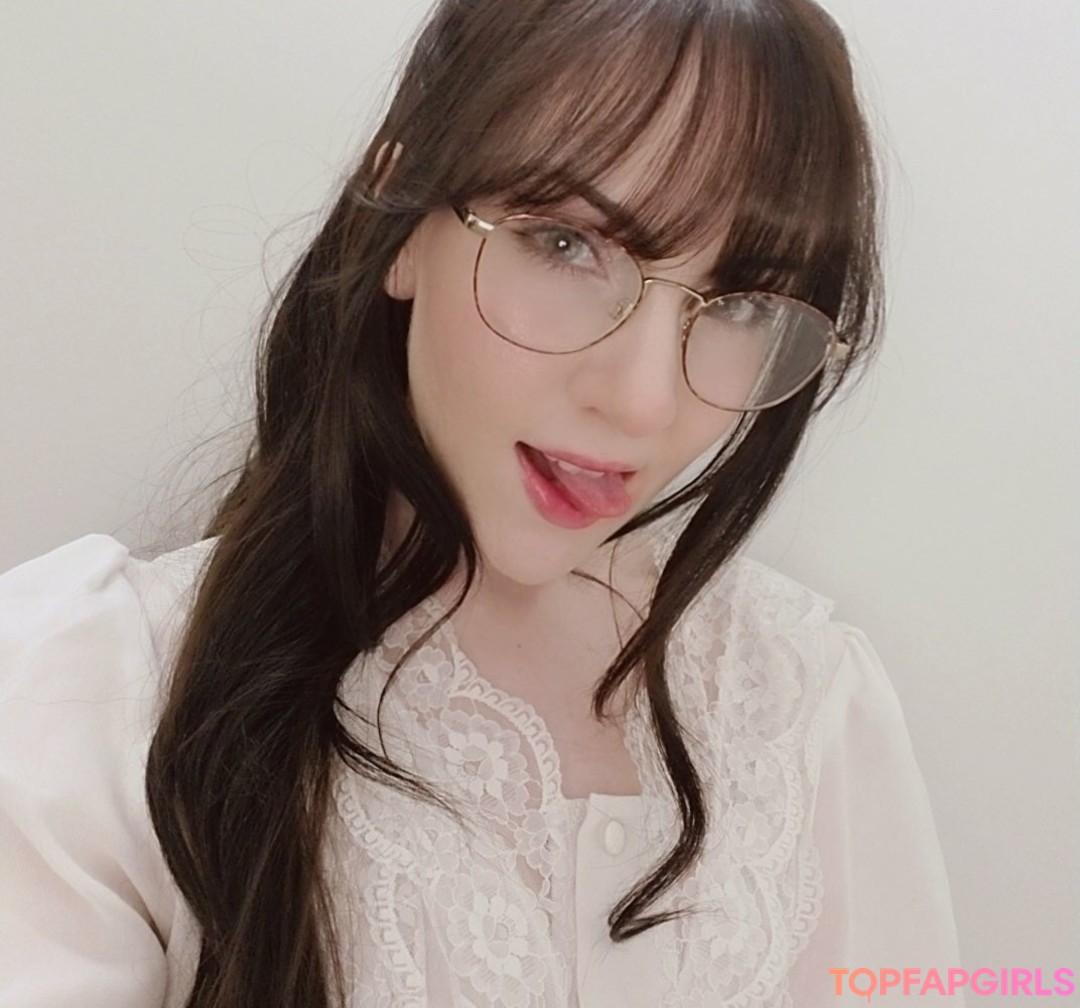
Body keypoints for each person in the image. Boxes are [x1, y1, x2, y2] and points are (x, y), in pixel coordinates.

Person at [0, 0, 964, 1005]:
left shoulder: (804, 704)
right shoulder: (94, 703)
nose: (642, 400)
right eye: (567, 245)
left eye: (748, 304)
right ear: (400, 217)